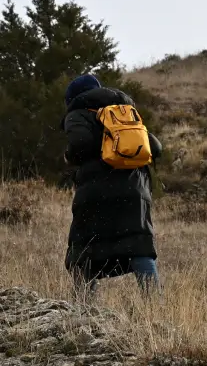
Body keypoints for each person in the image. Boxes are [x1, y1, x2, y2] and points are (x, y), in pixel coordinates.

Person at [63, 74, 163, 296]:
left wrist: (68, 156)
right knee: (139, 247)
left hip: (96, 191)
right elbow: (155, 148)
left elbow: (80, 144)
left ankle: (84, 310)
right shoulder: (125, 113)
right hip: (135, 191)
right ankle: (156, 306)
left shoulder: (78, 113)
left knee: (82, 251)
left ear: (72, 98)